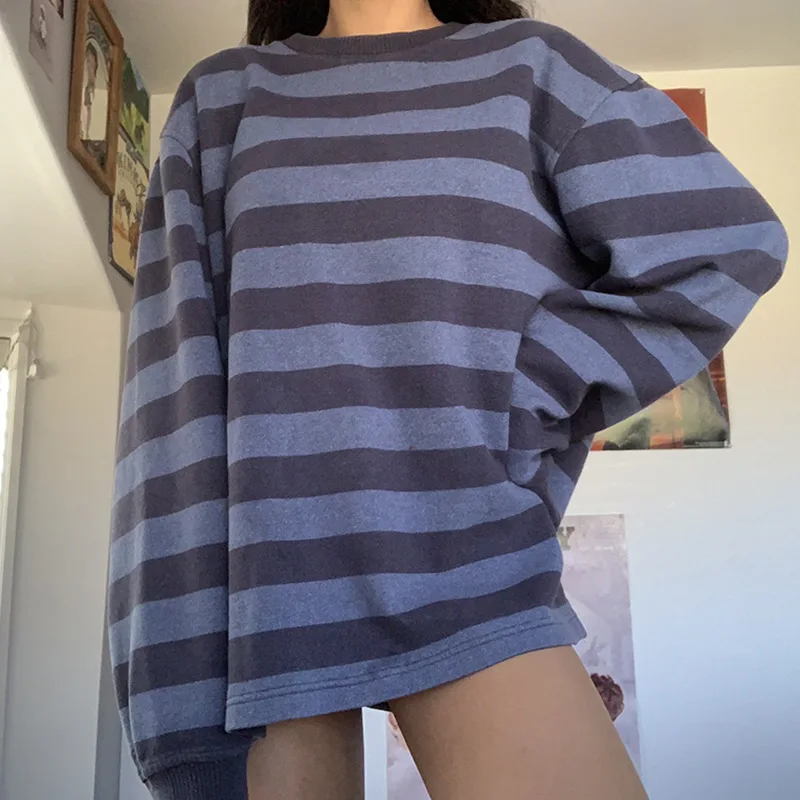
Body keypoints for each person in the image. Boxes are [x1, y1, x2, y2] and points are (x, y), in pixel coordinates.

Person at [108, 1, 788, 798]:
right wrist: (173, 676)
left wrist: (524, 389)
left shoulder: (532, 67)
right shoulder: (224, 97)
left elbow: (721, 246)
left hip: (468, 558)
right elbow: (172, 393)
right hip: (265, 599)